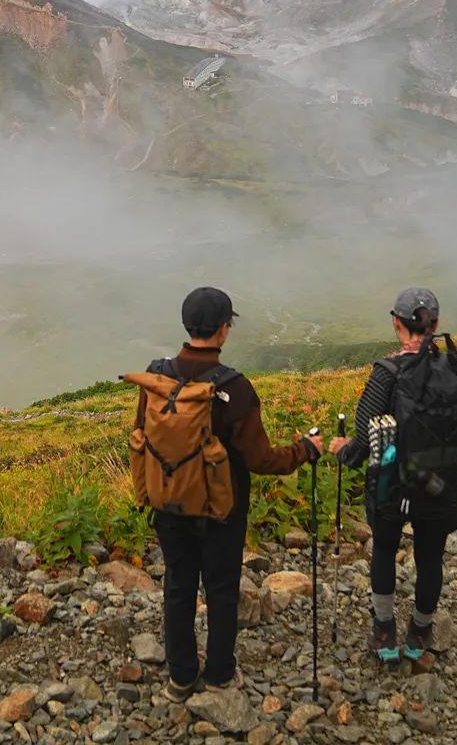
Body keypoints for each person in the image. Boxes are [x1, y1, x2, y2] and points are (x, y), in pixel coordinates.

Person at [133, 286, 323, 700]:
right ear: (223, 330)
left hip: (168, 505)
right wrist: (306, 450)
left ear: (187, 326)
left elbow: (144, 435)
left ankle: (181, 678)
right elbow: (260, 459)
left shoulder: (156, 377)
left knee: (178, 586)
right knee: (221, 589)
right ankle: (220, 673)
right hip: (222, 510)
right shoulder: (234, 388)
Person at [328, 287, 457, 662]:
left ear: (396, 324)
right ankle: (420, 632)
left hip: (392, 484)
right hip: (441, 483)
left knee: (385, 549)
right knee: (430, 556)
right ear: (436, 324)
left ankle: (384, 634)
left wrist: (343, 453)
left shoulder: (386, 373)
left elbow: (364, 438)